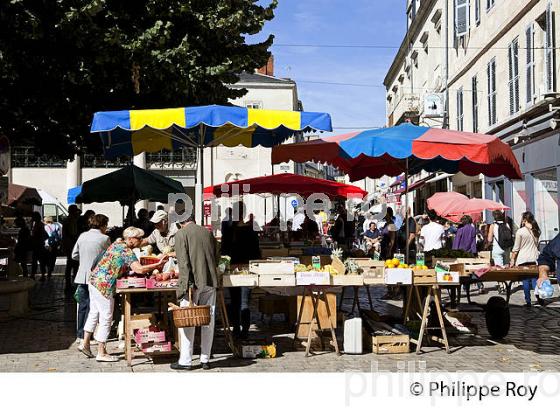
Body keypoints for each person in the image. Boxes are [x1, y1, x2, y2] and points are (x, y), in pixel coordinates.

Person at [79, 227, 166, 362]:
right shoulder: (127, 251)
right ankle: (101, 352)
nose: (141, 241)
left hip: (94, 280)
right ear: (130, 239)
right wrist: (157, 265)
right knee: (106, 317)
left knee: (94, 313)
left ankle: (85, 343)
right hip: (105, 285)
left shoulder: (118, 243)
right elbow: (140, 269)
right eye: (139, 238)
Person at [172, 214, 219, 370]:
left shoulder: (181, 234)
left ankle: (185, 361)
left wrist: (184, 286)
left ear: (180, 223)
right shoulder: (207, 232)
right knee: (208, 320)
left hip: (192, 283)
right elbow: (216, 256)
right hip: (210, 280)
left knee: (188, 321)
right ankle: (205, 359)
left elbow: (184, 264)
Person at [72, 214, 111, 345]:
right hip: (97, 277)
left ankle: (80, 335)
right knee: (95, 307)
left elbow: (74, 255)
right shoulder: (105, 238)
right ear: (103, 225)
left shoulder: (82, 236)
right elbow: (110, 257)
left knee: (83, 306)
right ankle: (90, 335)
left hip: (82, 275)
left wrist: (84, 261)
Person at [228, 202, 261, 340]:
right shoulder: (251, 231)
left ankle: (236, 328)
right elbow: (257, 253)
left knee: (235, 301)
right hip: (248, 269)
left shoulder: (230, 231)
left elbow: (224, 251)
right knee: (244, 302)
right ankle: (245, 331)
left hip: (233, 269)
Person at [511, 212, 541, 307]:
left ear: (524, 220)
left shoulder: (520, 231)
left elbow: (516, 248)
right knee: (534, 280)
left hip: (523, 258)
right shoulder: (536, 230)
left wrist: (512, 260)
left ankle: (528, 301)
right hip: (534, 258)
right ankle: (539, 297)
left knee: (525, 281)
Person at [63, 205, 81, 290]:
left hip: (68, 245)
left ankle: (69, 283)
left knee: (70, 265)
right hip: (71, 245)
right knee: (73, 264)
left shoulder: (68, 219)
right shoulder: (71, 220)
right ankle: (71, 283)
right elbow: (72, 233)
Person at [30, 211, 48, 280]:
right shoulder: (38, 224)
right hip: (39, 245)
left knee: (37, 261)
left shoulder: (39, 224)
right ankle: (37, 275)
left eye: (33, 217)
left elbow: (37, 234)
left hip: (38, 245)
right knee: (39, 261)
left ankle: (37, 275)